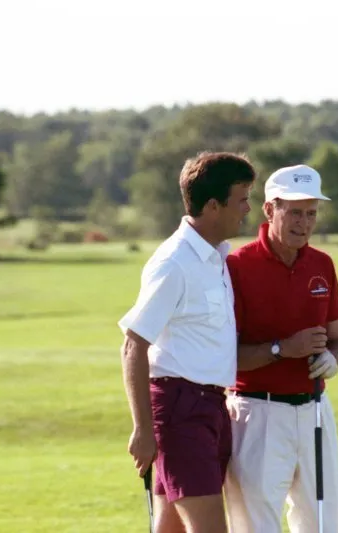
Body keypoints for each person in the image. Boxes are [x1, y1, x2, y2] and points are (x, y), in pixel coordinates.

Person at [117, 151, 256, 533]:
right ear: (213, 206)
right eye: (241, 198)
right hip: (180, 412)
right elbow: (133, 345)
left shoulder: (215, 258)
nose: (247, 208)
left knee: (170, 528)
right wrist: (143, 428)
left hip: (209, 407)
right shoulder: (174, 263)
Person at [223, 164, 338, 533]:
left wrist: (333, 359)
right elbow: (227, 357)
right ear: (269, 209)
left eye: (311, 213)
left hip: (314, 413)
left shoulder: (322, 265)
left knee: (324, 525)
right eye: (294, 212)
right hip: (257, 413)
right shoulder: (237, 266)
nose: (304, 223)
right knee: (256, 526)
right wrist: (282, 349)